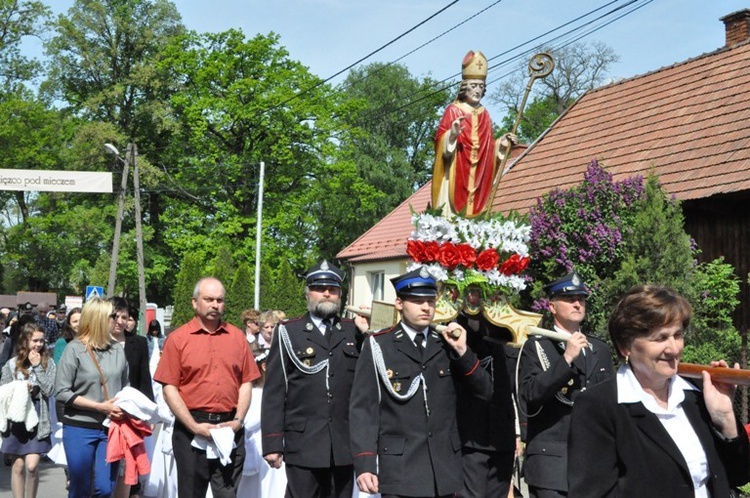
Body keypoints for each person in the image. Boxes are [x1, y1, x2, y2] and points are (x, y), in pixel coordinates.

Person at [568, 285, 750, 496]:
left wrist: (724, 418)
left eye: (678, 335)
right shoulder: (600, 406)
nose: (673, 349)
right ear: (625, 346)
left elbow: (739, 475)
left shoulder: (698, 394)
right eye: (660, 338)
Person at [349, 267, 493, 498]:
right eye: (417, 301)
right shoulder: (379, 345)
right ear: (399, 304)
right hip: (400, 470)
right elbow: (363, 410)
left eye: (430, 301)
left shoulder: (447, 344)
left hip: (443, 471)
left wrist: (463, 351)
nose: (426, 307)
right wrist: (365, 464)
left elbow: (484, 391)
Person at [261, 260, 369, 498]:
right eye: (320, 288)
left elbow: (369, 383)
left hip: (343, 443)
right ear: (308, 293)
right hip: (303, 443)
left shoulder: (354, 330)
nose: (327, 294)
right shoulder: (289, 331)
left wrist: (368, 334)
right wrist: (272, 443)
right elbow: (274, 392)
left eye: (333, 289)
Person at [154, 277, 260, 498]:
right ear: (195, 303)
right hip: (191, 427)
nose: (215, 304)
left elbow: (246, 382)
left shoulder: (237, 338)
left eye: (220, 300)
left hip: (230, 427)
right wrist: (193, 426)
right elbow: (169, 388)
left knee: (227, 494)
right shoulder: (178, 339)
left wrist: (238, 421)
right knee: (191, 493)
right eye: (209, 299)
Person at [517, 271, 614, 497]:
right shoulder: (536, 346)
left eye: (581, 299)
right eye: (570, 300)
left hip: (593, 463)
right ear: (552, 307)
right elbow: (530, 395)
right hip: (552, 465)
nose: (577, 304)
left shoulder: (599, 349)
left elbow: (610, 402)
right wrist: (566, 360)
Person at [54, 297, 130, 498]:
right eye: (112, 316)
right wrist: (99, 407)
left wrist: (129, 406)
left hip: (110, 428)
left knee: (104, 488)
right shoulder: (74, 349)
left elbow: (126, 385)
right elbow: (62, 391)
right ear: (98, 319)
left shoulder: (116, 350)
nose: (117, 320)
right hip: (79, 427)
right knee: (80, 487)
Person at [431, 50, 516, 218]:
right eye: (473, 86)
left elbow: (488, 147)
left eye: (481, 87)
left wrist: (502, 144)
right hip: (455, 175)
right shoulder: (453, 110)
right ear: (465, 87)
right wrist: (452, 136)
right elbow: (440, 144)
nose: (477, 90)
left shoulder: (485, 114)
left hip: (479, 177)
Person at [455, 314, 517, 498]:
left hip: (502, 438)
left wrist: (521, 432)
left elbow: (516, 384)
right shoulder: (453, 327)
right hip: (469, 437)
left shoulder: (507, 328)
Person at [1, 322, 56, 498]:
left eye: (42, 341)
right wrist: (19, 388)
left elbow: (49, 389)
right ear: (25, 341)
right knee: (17, 466)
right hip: (17, 417)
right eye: (35, 341)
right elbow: (3, 390)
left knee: (32, 466)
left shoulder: (48, 362)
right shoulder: (12, 364)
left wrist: (38, 366)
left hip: (38, 417)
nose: (39, 344)